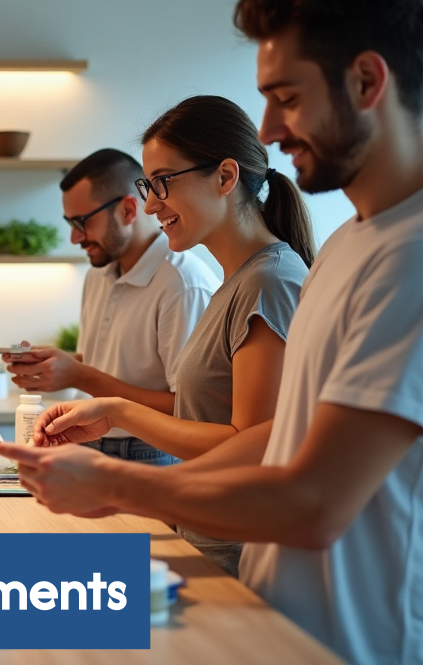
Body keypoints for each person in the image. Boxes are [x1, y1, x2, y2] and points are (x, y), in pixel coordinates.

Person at [0, 0, 423, 665]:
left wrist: (120, 484)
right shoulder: (352, 246)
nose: (271, 131)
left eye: (287, 98)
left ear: (368, 80)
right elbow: (276, 438)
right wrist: (124, 447)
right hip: (286, 630)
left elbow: (314, 502)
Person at [35, 97, 315, 575]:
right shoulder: (240, 280)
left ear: (226, 177)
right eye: (148, 185)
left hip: (236, 558)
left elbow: (251, 446)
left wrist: (117, 412)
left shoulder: (268, 282)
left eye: (162, 183)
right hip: (204, 540)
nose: (149, 204)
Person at [5, 148, 218, 466]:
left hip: (151, 454)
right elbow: (105, 363)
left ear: (128, 210)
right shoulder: (98, 274)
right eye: (69, 222)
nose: (75, 237)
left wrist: (79, 375)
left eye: (81, 222)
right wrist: (57, 363)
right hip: (88, 442)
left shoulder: (183, 284)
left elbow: (188, 409)